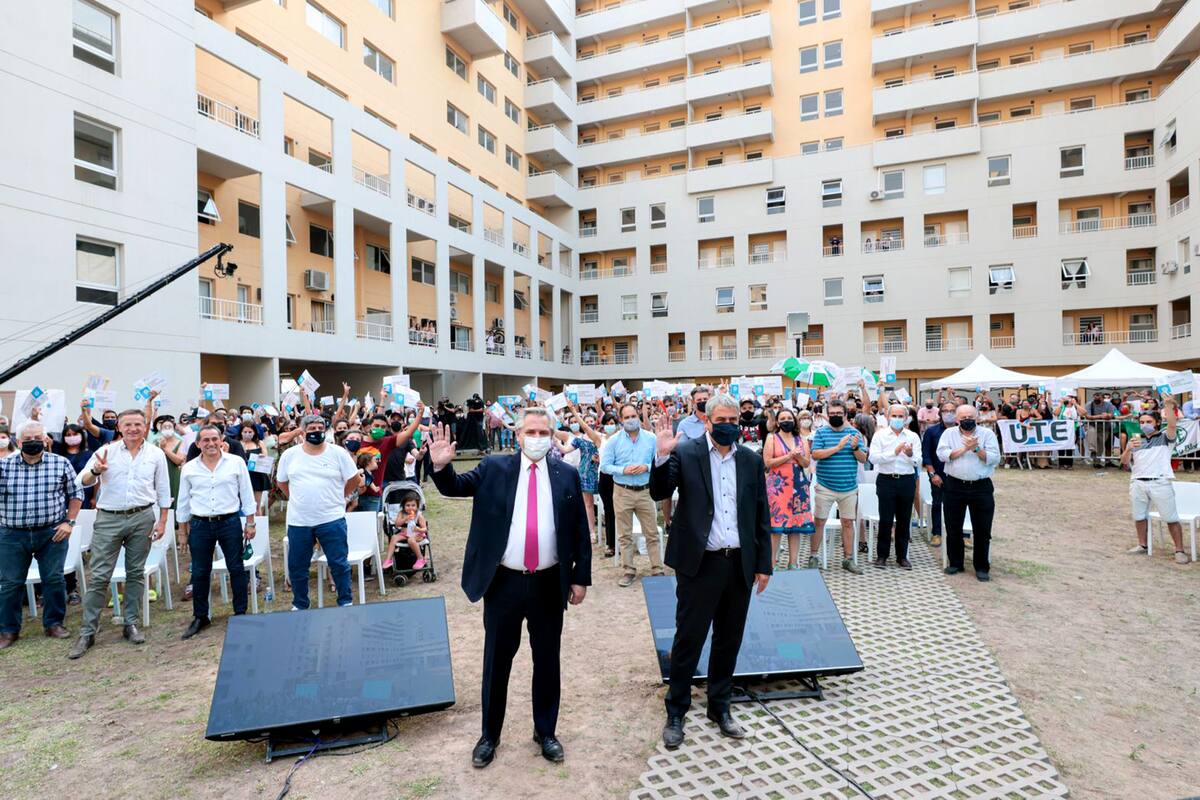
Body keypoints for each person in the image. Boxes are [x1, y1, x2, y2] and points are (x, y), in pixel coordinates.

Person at [427, 408, 591, 768]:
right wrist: (440, 467)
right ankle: (489, 736)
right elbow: (456, 487)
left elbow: (580, 529)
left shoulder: (567, 475)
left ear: (552, 435)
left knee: (547, 660)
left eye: (543, 431)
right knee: (496, 661)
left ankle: (545, 731)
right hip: (504, 583)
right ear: (518, 436)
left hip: (549, 582)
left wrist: (581, 577)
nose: (537, 437)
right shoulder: (494, 468)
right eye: (530, 431)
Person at [649, 394, 771, 750]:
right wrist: (660, 454)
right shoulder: (686, 453)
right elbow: (659, 490)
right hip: (699, 565)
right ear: (707, 421)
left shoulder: (749, 460)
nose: (729, 424)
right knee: (688, 640)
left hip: (738, 564)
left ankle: (720, 707)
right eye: (722, 419)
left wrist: (763, 564)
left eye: (734, 419)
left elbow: (759, 514)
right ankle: (676, 711)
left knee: (729, 638)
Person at [70, 409, 172, 658]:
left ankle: (131, 623)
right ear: (119, 427)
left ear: (145, 426)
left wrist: (162, 522)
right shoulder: (106, 451)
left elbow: (163, 489)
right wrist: (96, 472)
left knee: (136, 573)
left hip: (142, 517)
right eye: (128, 424)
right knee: (99, 576)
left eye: (138, 424)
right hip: (109, 518)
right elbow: (79, 481)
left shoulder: (156, 454)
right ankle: (87, 631)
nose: (133, 429)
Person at [0, 421, 83, 648]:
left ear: (46, 439)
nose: (33, 442)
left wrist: (70, 521)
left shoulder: (60, 463)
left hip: (52, 532)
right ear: (18, 441)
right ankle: (8, 630)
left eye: (38, 437)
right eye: (28, 439)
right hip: (12, 534)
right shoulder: (4, 465)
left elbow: (76, 494)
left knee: (54, 579)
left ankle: (54, 623)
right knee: (9, 583)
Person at [175, 424, 257, 639]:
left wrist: (250, 522)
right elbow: (183, 501)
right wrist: (182, 531)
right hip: (200, 525)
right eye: (205, 440)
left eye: (214, 439)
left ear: (222, 440)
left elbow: (246, 494)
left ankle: (240, 613)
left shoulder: (236, 463)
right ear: (197, 444)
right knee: (200, 572)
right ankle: (201, 616)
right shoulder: (189, 468)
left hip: (229, 522)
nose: (211, 443)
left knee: (236, 568)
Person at [276, 415, 362, 610]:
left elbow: (354, 479)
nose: (316, 431)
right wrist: (298, 498)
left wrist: (340, 497)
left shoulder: (338, 453)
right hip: (299, 521)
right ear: (303, 431)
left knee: (339, 563)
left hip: (331, 518)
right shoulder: (290, 455)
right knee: (298, 566)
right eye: (312, 428)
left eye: (320, 427)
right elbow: (281, 482)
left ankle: (345, 601)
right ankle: (300, 604)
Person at [936, 405, 1001, 582]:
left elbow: (995, 458)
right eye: (963, 417)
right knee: (953, 526)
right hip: (954, 485)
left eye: (970, 416)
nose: (967, 419)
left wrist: (976, 449)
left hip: (981, 487)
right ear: (957, 419)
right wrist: (964, 448)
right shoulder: (948, 434)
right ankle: (956, 562)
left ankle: (981, 566)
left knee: (982, 528)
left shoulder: (987, 434)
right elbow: (942, 455)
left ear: (977, 417)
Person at [600, 402, 662, 587]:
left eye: (633, 416)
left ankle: (657, 568)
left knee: (651, 533)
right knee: (624, 534)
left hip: (645, 491)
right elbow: (605, 466)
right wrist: (623, 470)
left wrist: (647, 467)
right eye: (626, 417)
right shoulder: (613, 441)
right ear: (621, 420)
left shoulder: (651, 438)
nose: (630, 420)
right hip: (622, 491)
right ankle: (628, 570)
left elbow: (660, 461)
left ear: (639, 416)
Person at [1123, 395, 1190, 564]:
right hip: (1138, 481)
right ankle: (1142, 545)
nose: (1145, 425)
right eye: (1142, 422)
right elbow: (1124, 462)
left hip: (1160, 481)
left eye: (1149, 422)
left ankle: (1179, 550)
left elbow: (1173, 424)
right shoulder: (1136, 440)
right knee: (1139, 516)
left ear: (1157, 423)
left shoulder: (1165, 437)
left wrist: (1168, 405)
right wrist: (1128, 449)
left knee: (1170, 518)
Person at [809, 400, 868, 574]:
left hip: (849, 487)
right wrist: (838, 447)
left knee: (848, 522)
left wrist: (855, 447)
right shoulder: (821, 433)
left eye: (838, 414)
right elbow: (816, 454)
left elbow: (863, 459)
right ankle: (813, 556)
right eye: (832, 413)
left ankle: (848, 559)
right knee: (819, 521)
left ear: (845, 414)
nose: (835, 416)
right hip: (825, 486)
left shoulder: (854, 433)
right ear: (828, 414)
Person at [869, 404, 923, 569]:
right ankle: (882, 556)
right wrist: (894, 452)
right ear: (888, 416)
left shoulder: (913, 436)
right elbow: (873, 458)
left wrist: (910, 454)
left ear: (906, 418)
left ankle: (902, 556)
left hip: (906, 480)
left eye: (901, 416)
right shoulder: (880, 436)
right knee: (885, 519)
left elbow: (919, 461)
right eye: (895, 416)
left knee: (904, 519)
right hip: (886, 480)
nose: (898, 419)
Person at [762, 407, 814, 570]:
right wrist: (789, 456)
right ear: (777, 422)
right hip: (778, 485)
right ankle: (771, 563)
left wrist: (798, 456)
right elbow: (768, 462)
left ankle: (793, 563)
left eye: (789, 418)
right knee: (776, 526)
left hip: (798, 485)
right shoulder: (772, 438)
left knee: (795, 526)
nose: (786, 421)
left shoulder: (802, 439)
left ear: (794, 420)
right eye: (783, 418)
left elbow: (806, 463)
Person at [921, 401, 957, 548]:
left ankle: (962, 533)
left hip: (958, 476)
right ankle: (937, 533)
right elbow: (926, 455)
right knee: (937, 503)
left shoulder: (963, 431)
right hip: (938, 475)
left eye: (952, 410)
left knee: (960, 505)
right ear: (940, 413)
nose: (949, 413)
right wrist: (932, 474)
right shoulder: (931, 432)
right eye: (946, 411)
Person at [383, 495, 428, 570]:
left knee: (410, 540)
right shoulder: (401, 513)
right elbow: (397, 524)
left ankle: (420, 558)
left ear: (417, 506)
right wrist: (405, 519)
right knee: (394, 537)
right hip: (404, 533)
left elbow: (425, 529)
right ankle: (388, 559)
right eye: (408, 505)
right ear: (403, 506)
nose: (410, 507)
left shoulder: (419, 515)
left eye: (413, 505)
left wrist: (418, 529)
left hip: (417, 534)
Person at [1085, 391, 1118, 468]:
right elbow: (1088, 416)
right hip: (1092, 425)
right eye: (1095, 396)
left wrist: (1107, 416)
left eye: (1098, 396)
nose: (1096, 397)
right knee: (1092, 433)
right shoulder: (1089, 404)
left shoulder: (1109, 405)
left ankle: (1097, 462)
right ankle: (1092, 450)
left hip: (1104, 427)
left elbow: (1111, 415)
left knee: (1100, 445)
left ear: (1102, 398)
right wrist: (1101, 416)